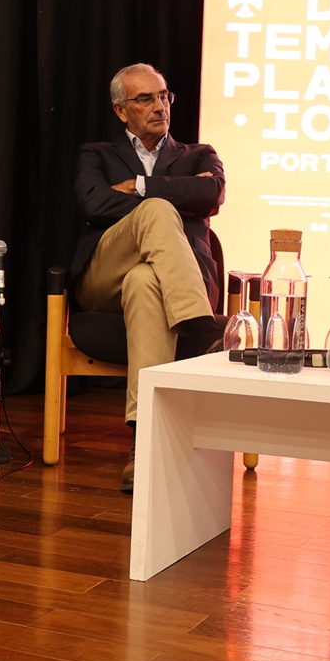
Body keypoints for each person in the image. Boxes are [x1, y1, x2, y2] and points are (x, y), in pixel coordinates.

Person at [70, 63, 226, 492]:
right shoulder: (96, 154)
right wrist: (171, 195)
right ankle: (200, 328)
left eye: (164, 97)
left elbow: (211, 194)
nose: (160, 106)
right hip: (104, 275)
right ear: (121, 110)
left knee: (145, 280)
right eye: (146, 99)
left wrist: (138, 185)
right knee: (157, 213)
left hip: (164, 280)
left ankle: (143, 443)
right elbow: (91, 204)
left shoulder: (200, 154)